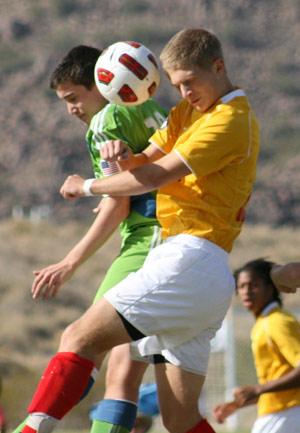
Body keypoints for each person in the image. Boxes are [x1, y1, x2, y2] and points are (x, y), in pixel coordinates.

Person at [16, 28, 260, 433]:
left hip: (188, 259)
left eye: (189, 82)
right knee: (181, 420)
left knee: (79, 338)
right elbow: (145, 160)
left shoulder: (230, 119)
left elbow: (154, 177)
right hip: (201, 272)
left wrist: (88, 185)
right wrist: (122, 157)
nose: (183, 93)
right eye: (176, 84)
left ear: (218, 67)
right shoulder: (190, 112)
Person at [13, 45, 167, 433]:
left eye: (73, 98)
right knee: (124, 373)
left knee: (80, 343)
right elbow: (140, 182)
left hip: (151, 241)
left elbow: (119, 205)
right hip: (179, 241)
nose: (70, 110)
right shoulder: (147, 108)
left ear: (102, 83)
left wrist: (69, 263)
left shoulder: (107, 121)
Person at [213, 258, 300, 433]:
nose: (246, 291)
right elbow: (279, 377)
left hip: (287, 413)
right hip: (281, 412)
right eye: (241, 286)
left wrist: (258, 388)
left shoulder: (276, 322)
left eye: (254, 285)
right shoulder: (264, 323)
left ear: (271, 287)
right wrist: (239, 403)